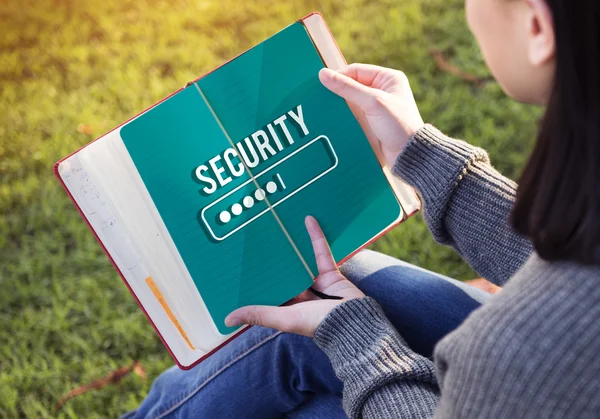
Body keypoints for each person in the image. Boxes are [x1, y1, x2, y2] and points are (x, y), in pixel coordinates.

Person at [125, 0, 600, 417]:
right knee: (337, 286)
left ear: (537, 27)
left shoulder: (520, 349)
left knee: (301, 342)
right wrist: (425, 157)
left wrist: (359, 340)